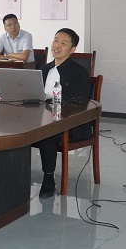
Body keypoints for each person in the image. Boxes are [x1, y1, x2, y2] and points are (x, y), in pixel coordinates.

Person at [33, 28, 92, 198]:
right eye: (55, 40)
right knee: (19, 130)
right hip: (43, 119)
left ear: (72, 49)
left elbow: (79, 104)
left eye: (63, 43)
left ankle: (48, 178)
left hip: (71, 124)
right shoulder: (44, 70)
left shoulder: (79, 73)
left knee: (47, 133)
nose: (57, 46)